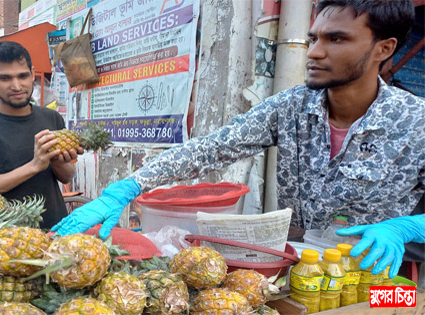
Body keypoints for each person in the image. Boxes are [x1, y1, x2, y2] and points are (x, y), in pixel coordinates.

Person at [53, 0, 425, 280]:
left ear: (384, 48)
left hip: (379, 278)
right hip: (304, 270)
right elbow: (211, 147)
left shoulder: (416, 121)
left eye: (336, 39)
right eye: (313, 38)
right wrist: (127, 186)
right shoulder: (291, 107)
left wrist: (405, 227)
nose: (314, 51)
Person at [0, 41, 82, 229]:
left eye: (23, 76)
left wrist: (57, 161)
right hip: (5, 238)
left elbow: (66, 177)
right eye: (5, 78)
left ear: (32, 73)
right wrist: (34, 166)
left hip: (55, 228)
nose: (17, 86)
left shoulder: (51, 118)